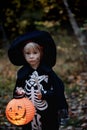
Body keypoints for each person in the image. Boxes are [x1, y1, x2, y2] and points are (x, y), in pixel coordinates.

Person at [8, 30, 68, 130]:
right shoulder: (22, 74)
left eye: (35, 53)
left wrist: (44, 95)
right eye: (28, 53)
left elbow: (58, 90)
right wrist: (19, 93)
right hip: (27, 111)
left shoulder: (48, 72)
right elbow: (16, 94)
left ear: (41, 53)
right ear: (23, 55)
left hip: (47, 111)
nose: (31, 56)